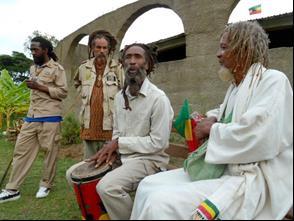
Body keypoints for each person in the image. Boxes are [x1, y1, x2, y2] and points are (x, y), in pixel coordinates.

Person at [130, 21, 293, 220]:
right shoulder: (237, 87)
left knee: (159, 203)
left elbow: (259, 135)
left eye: (224, 47)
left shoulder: (273, 81)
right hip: (225, 169)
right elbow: (231, 113)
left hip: (251, 179)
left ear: (244, 48)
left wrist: (212, 128)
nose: (218, 54)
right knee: (148, 185)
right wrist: (213, 116)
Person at [70, 43, 174, 219]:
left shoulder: (158, 99)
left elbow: (159, 143)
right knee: (72, 173)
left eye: (138, 57)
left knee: (108, 187)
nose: (132, 61)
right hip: (123, 157)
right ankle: (104, 214)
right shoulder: (120, 97)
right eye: (128, 57)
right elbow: (117, 131)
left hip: (150, 161)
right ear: (122, 64)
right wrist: (111, 149)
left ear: (147, 64)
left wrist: (119, 143)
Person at [0, 36, 68, 203]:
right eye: (31, 49)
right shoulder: (32, 68)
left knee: (49, 152)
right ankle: (12, 189)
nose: (32, 52)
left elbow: (63, 92)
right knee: (20, 151)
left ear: (45, 50)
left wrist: (40, 87)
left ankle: (46, 184)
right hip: (31, 117)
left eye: (35, 49)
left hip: (50, 117)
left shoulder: (57, 69)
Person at [65, 30, 124, 183]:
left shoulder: (117, 67)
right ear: (92, 48)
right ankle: (89, 188)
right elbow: (77, 83)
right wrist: (86, 95)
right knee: (90, 161)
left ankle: (107, 190)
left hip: (110, 123)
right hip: (89, 123)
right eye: (98, 47)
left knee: (110, 161)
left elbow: (124, 90)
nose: (101, 51)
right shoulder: (83, 68)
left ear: (109, 49)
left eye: (105, 48)